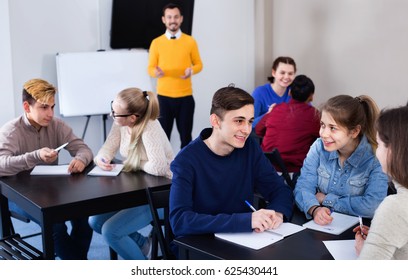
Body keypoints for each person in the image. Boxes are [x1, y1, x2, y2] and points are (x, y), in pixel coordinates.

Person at [169, 85, 294, 241]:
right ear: (215, 121)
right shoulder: (186, 160)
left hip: (243, 241)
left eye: (250, 122)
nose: (247, 130)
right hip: (200, 246)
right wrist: (246, 220)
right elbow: (180, 221)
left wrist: (277, 213)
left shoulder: (250, 149)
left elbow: (280, 190)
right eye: (239, 121)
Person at [0, 78, 94, 259]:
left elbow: (84, 149)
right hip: (18, 195)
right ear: (27, 107)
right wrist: (35, 156)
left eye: (52, 107)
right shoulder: (11, 131)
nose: (50, 113)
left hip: (50, 190)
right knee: (56, 226)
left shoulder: (57, 125)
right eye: (44, 107)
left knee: (84, 217)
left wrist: (81, 159)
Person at [89, 87, 173, 260]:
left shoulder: (149, 126)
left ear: (133, 118)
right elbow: (107, 148)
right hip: (137, 189)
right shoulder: (120, 123)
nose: (112, 115)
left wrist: (132, 163)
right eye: (112, 109)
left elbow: (159, 167)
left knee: (111, 232)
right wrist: (102, 159)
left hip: (161, 196)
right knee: (94, 221)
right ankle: (142, 244)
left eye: (116, 113)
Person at [293, 95, 388, 225]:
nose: (324, 134)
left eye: (333, 128)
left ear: (354, 131)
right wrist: (314, 209)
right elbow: (303, 187)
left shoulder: (375, 157)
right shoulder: (318, 146)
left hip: (357, 232)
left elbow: (373, 206)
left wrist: (327, 199)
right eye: (322, 125)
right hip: (320, 227)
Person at [354, 106, 408, 259]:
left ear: (392, 150)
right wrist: (378, 241)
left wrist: (365, 253)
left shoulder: (395, 207)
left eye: (378, 144)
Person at [147, 2, 203, 149]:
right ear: (164, 19)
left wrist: (191, 70)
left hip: (185, 97)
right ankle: (163, 168)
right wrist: (155, 72)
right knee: (163, 137)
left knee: (186, 137)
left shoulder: (190, 41)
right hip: (164, 98)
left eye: (176, 17)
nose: (173, 20)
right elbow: (150, 68)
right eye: (169, 17)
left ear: (181, 19)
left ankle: (187, 169)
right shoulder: (156, 43)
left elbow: (199, 64)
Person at [255, 74, 320, 175]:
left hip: (267, 166)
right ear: (311, 96)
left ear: (289, 92)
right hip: (294, 169)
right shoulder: (314, 115)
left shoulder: (276, 109)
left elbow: (258, 130)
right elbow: (323, 138)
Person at [252, 56, 296, 128]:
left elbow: (310, 115)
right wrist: (268, 114)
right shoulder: (259, 93)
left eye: (290, 73)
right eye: (282, 73)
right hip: (265, 137)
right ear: (274, 73)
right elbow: (250, 124)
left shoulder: (296, 92)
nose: (286, 77)